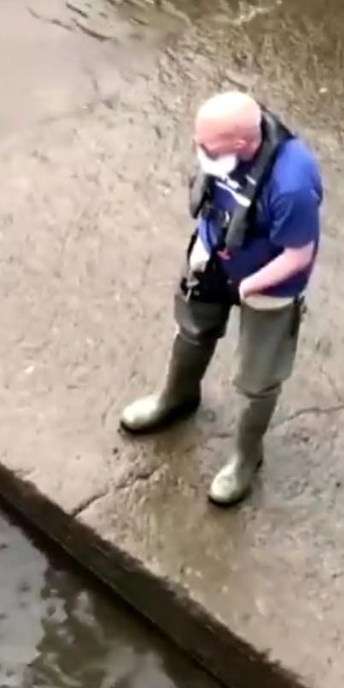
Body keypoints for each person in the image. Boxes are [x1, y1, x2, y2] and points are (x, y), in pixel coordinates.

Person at [119, 90, 324, 507]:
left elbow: (298, 254)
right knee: (192, 328)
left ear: (243, 145)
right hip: (217, 253)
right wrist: (204, 251)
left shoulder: (292, 185)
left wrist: (249, 287)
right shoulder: (221, 143)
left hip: (268, 281)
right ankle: (176, 397)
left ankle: (246, 456)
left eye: (208, 148)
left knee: (257, 378)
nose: (200, 152)